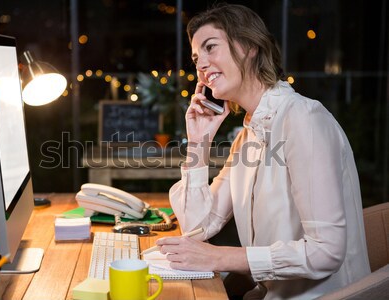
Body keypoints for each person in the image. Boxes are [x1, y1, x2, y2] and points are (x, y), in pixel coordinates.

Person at [155, 4, 371, 299]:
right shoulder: (246, 137)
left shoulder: (303, 118)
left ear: (249, 46)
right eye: (196, 58)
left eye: (210, 48)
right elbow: (197, 226)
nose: (201, 65)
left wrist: (219, 258)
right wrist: (198, 142)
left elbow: (326, 251)